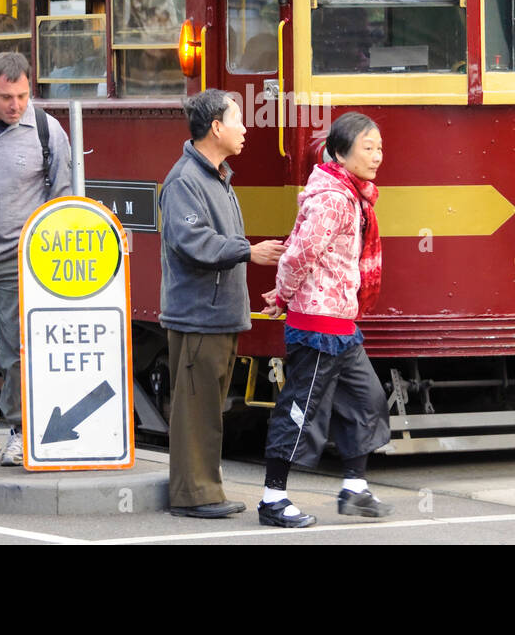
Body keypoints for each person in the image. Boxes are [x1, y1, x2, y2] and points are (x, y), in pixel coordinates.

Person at [257, 112, 393, 528]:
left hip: (341, 325)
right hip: (317, 326)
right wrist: (283, 294)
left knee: (366, 401)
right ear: (339, 152)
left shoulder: (352, 194)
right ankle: (272, 499)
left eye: (379, 148)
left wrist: (283, 292)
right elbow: (299, 254)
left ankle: (354, 489)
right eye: (367, 148)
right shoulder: (333, 198)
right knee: (301, 410)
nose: (377, 156)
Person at [158, 89, 284, 518]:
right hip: (197, 317)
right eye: (237, 120)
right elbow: (193, 242)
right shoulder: (185, 181)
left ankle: (206, 491)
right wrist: (249, 251)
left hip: (217, 315)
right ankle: (194, 496)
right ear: (216, 127)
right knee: (196, 409)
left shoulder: (216, 176)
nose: (245, 128)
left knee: (208, 407)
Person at [0, 51, 71, 465]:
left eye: (23, 96)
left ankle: (21, 431)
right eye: (7, 97)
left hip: (18, 258)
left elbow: (62, 194)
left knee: (17, 350)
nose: (16, 106)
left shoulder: (46, 128)